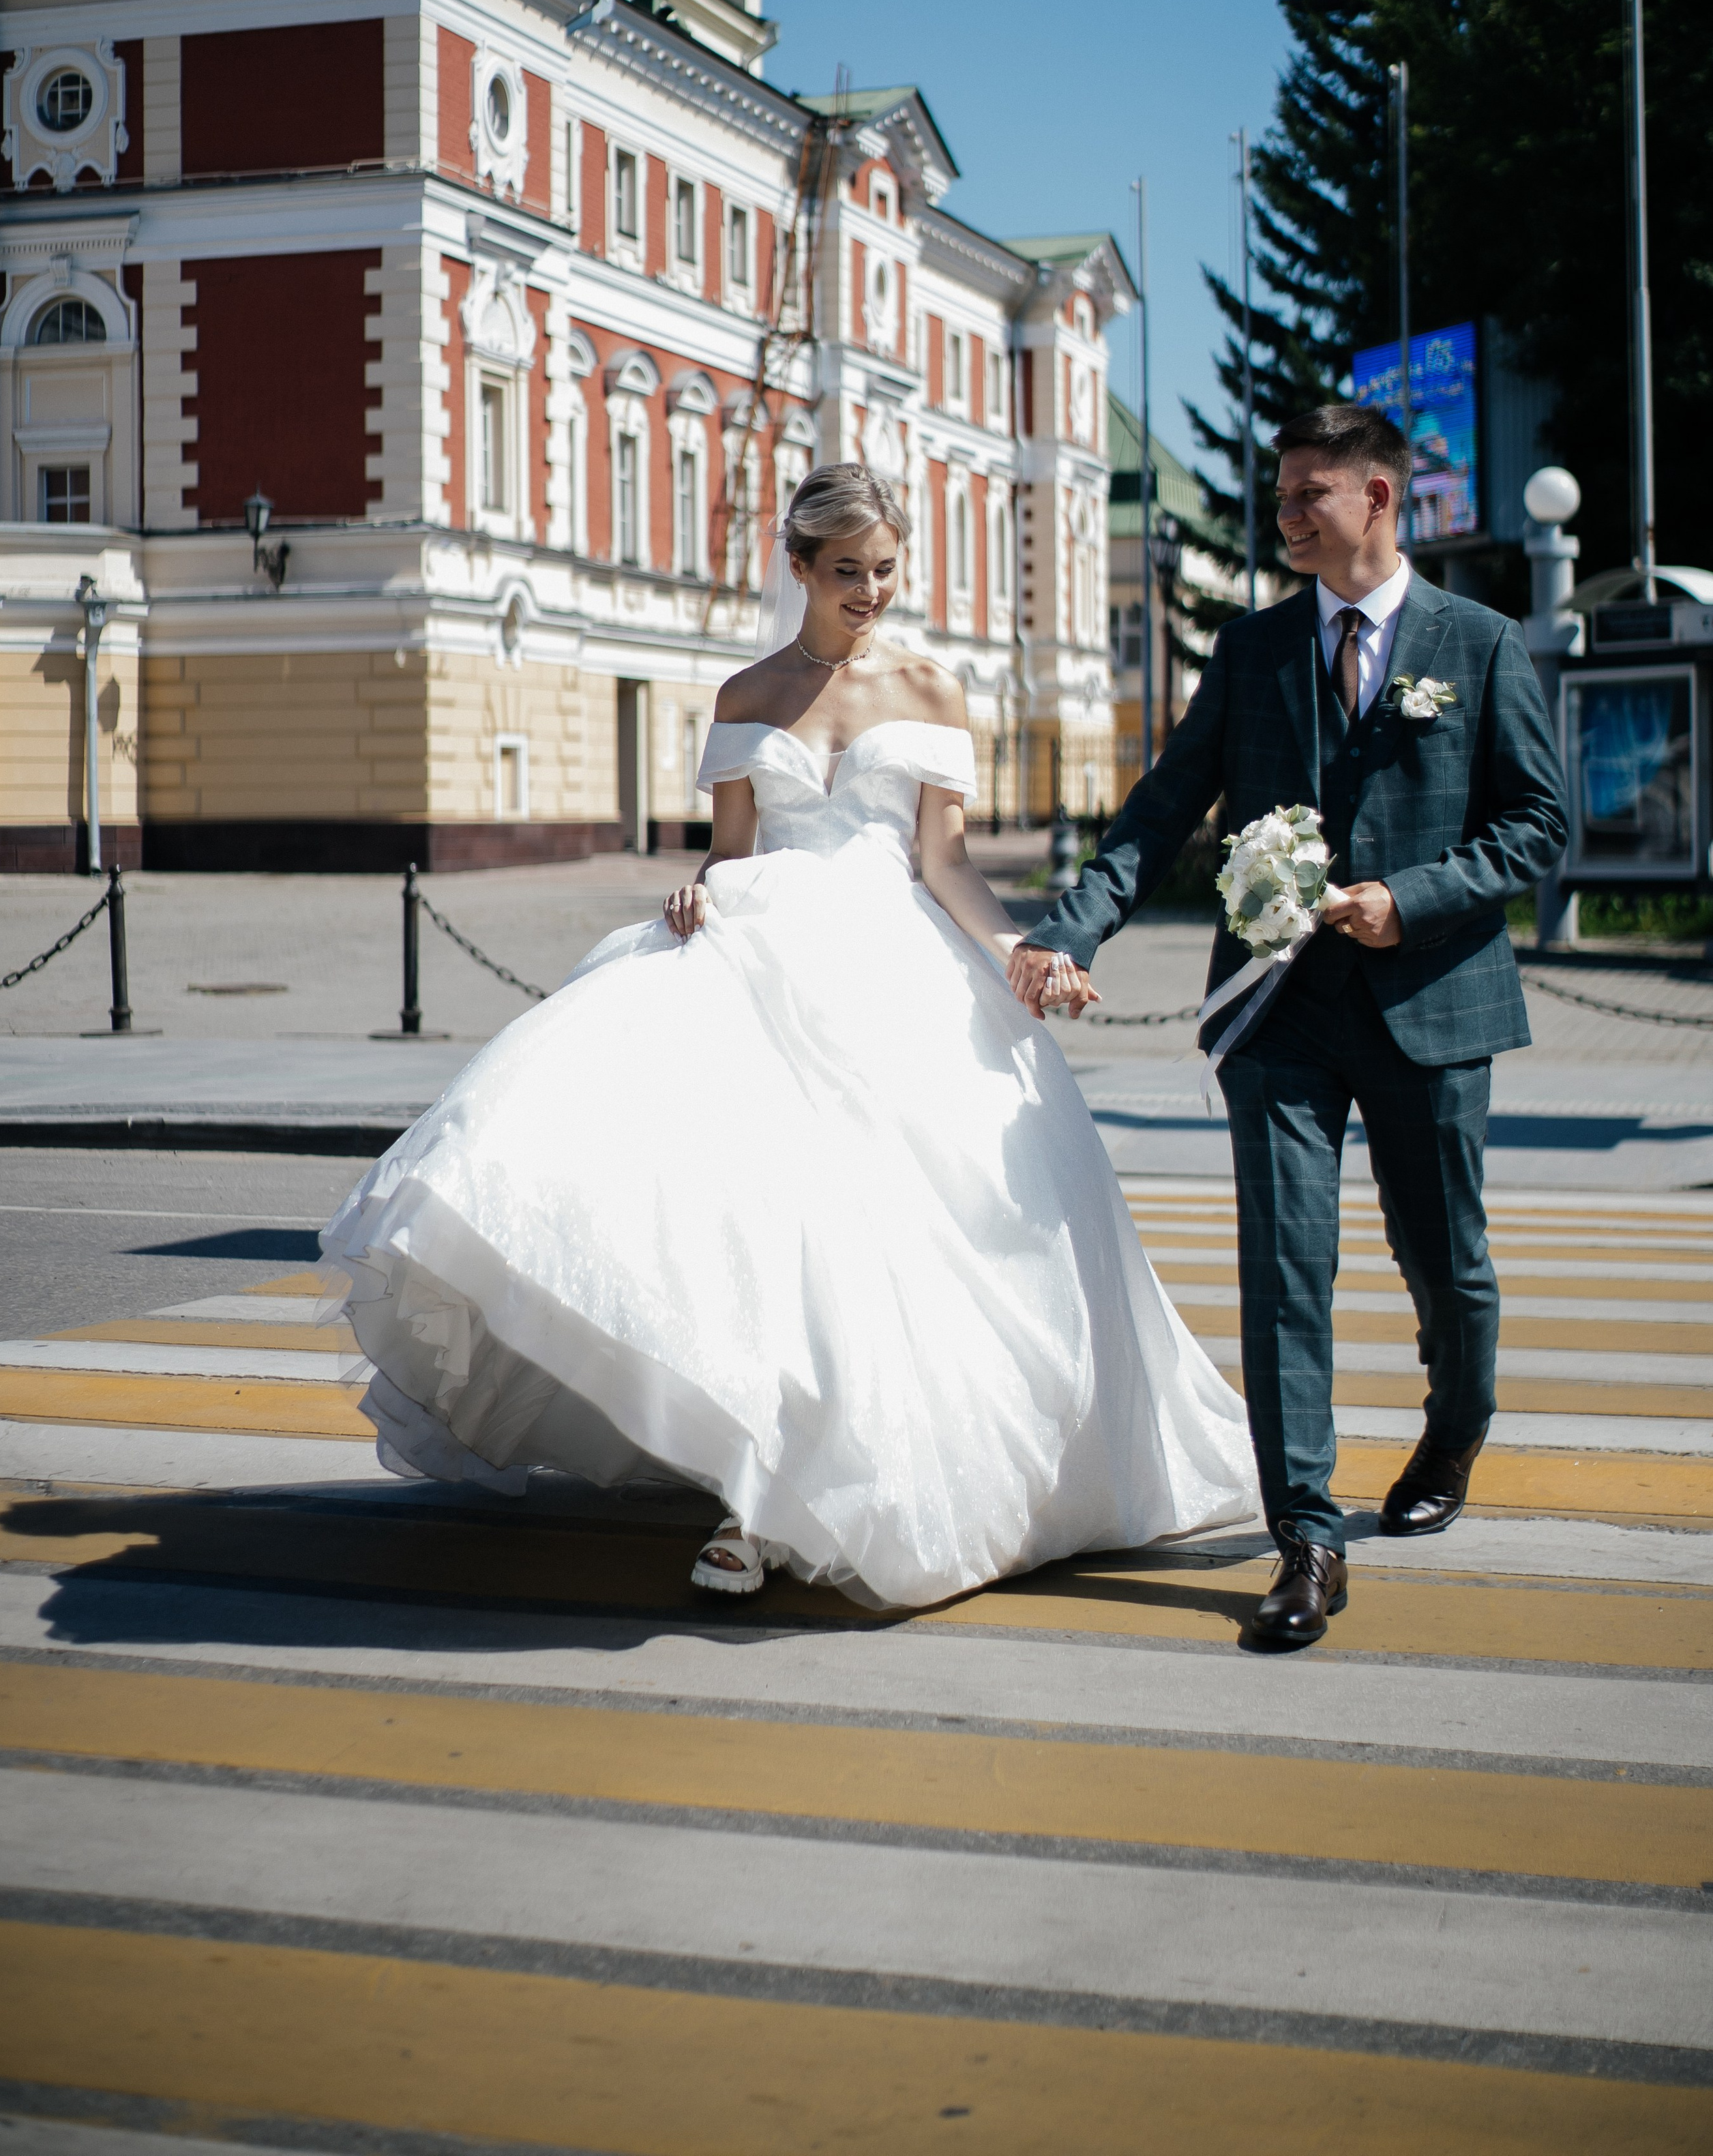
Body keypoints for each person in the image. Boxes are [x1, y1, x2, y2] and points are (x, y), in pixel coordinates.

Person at [318, 462, 1257, 1610]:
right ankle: (756, 1485)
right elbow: (733, 853)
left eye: (886, 572)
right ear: (798, 566)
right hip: (756, 965)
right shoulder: (746, 695)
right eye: (848, 571)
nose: (870, 593)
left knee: (883, 1237)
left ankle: (792, 1496)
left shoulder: (931, 686)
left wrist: (1019, 948)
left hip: (896, 980)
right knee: (756, 1225)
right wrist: (696, 894)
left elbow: (945, 861)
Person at [1011, 405, 1568, 1646]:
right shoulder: (1254, 648)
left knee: (1449, 1263)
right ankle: (1306, 1538)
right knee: (1285, 1273)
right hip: (1277, 1013)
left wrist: (1407, 900)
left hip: (1433, 1002)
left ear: (1379, 498)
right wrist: (1072, 929)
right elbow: (1162, 810)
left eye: (1310, 493)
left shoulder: (1476, 644)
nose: (1286, 515)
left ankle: (1458, 1423)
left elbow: (1537, 826)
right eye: (1280, 496)